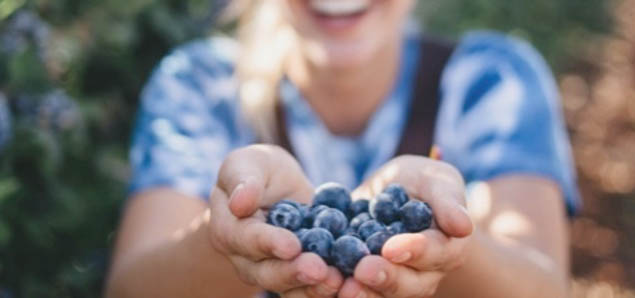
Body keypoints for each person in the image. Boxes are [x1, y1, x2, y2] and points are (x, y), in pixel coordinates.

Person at [105, 0, 580, 297]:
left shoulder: (491, 82)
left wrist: (449, 247)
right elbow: (132, 288)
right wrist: (225, 235)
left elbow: (543, 287)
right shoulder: (198, 89)